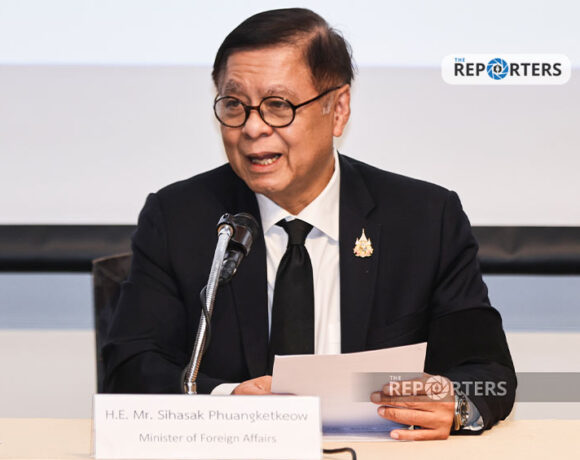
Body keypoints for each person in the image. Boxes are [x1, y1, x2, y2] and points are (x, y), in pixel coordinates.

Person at [103, 8, 516, 440]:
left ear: (337, 109)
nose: (253, 128)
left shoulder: (424, 218)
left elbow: (490, 374)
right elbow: (129, 367)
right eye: (234, 105)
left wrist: (457, 404)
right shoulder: (179, 217)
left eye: (278, 106)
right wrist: (226, 400)